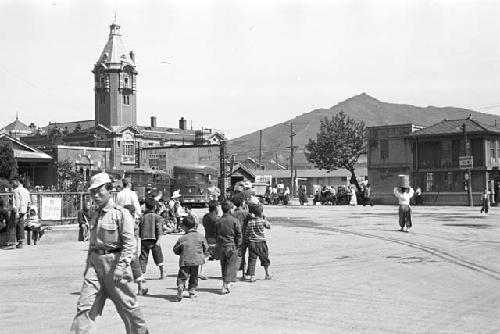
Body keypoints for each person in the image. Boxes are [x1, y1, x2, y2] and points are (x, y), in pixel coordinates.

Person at [70, 173, 148, 334]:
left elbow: (130, 243)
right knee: (84, 306)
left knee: (128, 307)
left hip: (115, 265)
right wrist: (88, 267)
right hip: (95, 265)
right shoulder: (95, 214)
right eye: (93, 192)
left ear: (109, 190)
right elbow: (93, 245)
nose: (96, 196)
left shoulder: (121, 214)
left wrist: (121, 267)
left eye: (100, 191)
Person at [173, 215, 209, 301]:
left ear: (185, 227)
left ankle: (180, 286)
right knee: (194, 277)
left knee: (182, 276)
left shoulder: (182, 238)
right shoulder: (200, 236)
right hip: (196, 260)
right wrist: (202, 253)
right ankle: (192, 292)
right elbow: (206, 247)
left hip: (185, 261)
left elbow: (175, 249)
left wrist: (180, 252)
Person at [216, 200, 242, 294]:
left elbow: (216, 234)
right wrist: (238, 245)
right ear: (231, 210)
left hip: (222, 246)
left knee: (223, 266)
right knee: (230, 266)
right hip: (231, 246)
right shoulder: (235, 221)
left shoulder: (218, 221)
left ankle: (225, 283)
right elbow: (239, 234)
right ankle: (225, 285)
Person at [123, 205, 148, 296]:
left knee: (123, 268)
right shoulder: (132, 223)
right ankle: (140, 289)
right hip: (132, 248)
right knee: (136, 269)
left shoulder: (122, 222)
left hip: (124, 249)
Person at [139, 197, 165, 280]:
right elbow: (159, 229)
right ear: (155, 207)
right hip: (154, 240)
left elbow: (140, 228)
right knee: (158, 256)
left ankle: (142, 274)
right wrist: (159, 240)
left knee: (143, 257)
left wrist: (141, 236)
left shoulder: (143, 217)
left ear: (146, 206)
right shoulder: (157, 217)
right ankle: (162, 273)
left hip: (144, 239)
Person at [245, 204, 272, 282]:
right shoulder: (262, 221)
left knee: (252, 259)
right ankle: (267, 273)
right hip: (261, 242)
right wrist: (265, 218)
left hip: (252, 242)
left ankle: (252, 276)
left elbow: (247, 232)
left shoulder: (250, 221)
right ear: (261, 213)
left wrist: (247, 239)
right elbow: (268, 226)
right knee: (264, 258)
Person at [232, 192, 253, 280]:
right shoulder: (246, 213)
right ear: (242, 202)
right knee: (245, 255)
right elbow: (253, 218)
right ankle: (244, 274)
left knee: (238, 255)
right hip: (245, 236)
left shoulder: (233, 214)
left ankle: (234, 273)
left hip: (235, 237)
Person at [12, 179, 30, 248]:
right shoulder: (26, 190)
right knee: (21, 226)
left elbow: (17, 202)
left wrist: (16, 212)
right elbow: (29, 202)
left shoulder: (16, 190)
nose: (12, 184)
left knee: (14, 227)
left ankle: (13, 242)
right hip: (24, 210)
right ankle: (20, 243)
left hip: (18, 211)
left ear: (17, 182)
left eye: (13, 182)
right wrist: (27, 211)